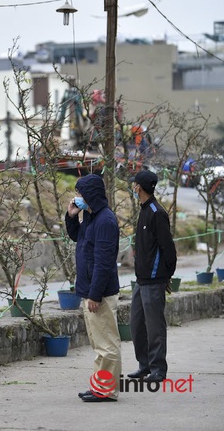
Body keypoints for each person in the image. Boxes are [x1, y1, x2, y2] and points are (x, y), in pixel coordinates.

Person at [65, 173, 122, 402]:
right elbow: (77, 238)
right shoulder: (90, 217)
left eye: (81, 193)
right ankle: (100, 385)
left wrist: (95, 294)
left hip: (101, 293)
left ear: (91, 195)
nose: (77, 197)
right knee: (99, 344)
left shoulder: (105, 221)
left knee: (107, 344)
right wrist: (71, 217)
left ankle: (106, 390)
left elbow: (104, 262)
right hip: (90, 290)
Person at [128, 169, 177, 383]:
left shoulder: (157, 212)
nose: (132, 186)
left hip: (154, 280)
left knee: (155, 326)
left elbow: (169, 249)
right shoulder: (144, 210)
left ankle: (158, 369)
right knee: (136, 323)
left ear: (139, 187)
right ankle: (144, 364)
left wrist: (166, 277)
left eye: (134, 184)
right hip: (141, 280)